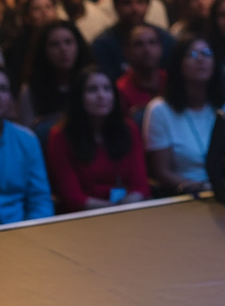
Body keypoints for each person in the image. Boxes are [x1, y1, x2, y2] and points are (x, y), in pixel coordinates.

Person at [142, 34, 225, 195]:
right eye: (193, 54)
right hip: (186, 195)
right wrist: (198, 187)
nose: (201, 59)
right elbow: (162, 172)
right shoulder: (160, 110)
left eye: (207, 54)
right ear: (178, 64)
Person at [47, 66, 150, 213]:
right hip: (86, 216)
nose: (102, 95)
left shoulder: (129, 129)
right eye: (92, 90)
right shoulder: (60, 136)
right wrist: (114, 210)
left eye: (107, 89)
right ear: (78, 97)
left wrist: (126, 207)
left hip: (130, 210)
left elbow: (140, 185)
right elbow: (72, 197)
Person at [0, 65, 54, 224]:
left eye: (2, 89)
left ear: (10, 98)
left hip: (18, 232)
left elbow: (40, 200)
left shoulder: (27, 140)